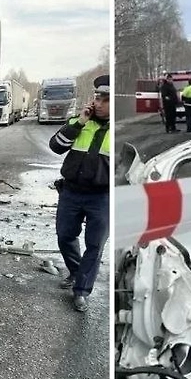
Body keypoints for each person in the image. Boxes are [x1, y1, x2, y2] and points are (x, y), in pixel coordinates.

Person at [49, 74, 111, 312]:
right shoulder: (80, 122)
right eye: (97, 97)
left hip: (101, 197)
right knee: (65, 236)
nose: (99, 103)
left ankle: (81, 290)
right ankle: (76, 272)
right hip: (72, 192)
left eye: (105, 99)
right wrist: (78, 123)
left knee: (94, 245)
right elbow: (56, 146)